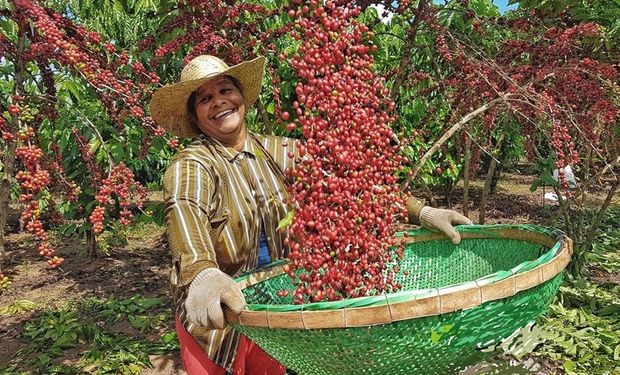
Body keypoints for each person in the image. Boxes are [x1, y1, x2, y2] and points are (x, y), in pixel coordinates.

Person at [150, 54, 472, 375]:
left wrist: (420, 211)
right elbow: (184, 207)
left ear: (241, 97)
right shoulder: (192, 164)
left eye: (225, 90)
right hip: (216, 321)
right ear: (195, 116)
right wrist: (202, 274)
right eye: (205, 98)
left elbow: (347, 184)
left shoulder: (278, 152)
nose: (219, 102)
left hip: (270, 312)